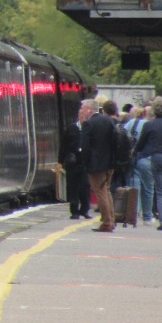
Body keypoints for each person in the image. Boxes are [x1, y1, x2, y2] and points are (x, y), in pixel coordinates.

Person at [134, 96, 162, 231]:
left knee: (160, 191)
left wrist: (135, 152)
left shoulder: (149, 125)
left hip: (156, 158)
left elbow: (140, 143)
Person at [81, 99, 117, 232]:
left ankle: (107, 222)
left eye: (83, 108)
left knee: (100, 192)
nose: (82, 111)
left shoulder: (88, 124)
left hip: (96, 164)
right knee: (106, 190)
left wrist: (85, 163)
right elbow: (115, 141)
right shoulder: (108, 121)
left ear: (89, 110)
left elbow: (85, 146)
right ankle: (111, 219)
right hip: (109, 163)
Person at [61, 103, 91, 219]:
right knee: (72, 187)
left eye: (84, 116)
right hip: (73, 163)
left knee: (84, 187)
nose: (82, 118)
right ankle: (74, 211)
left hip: (84, 163)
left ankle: (85, 210)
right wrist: (61, 161)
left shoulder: (89, 128)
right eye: (81, 115)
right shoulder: (71, 128)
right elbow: (63, 145)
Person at [127, 105, 155, 225]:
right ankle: (147, 216)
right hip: (148, 159)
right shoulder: (152, 126)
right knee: (148, 188)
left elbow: (122, 135)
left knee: (134, 187)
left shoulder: (132, 123)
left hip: (133, 159)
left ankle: (134, 214)